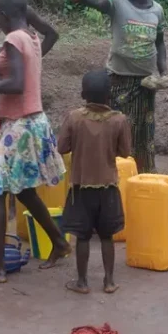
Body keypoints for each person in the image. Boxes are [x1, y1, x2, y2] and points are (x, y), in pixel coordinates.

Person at [0, 0, 69, 283]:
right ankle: (59, 243)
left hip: (19, 126)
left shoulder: (13, 39)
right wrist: (27, 14)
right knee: (23, 191)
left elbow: (17, 84)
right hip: (34, 120)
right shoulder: (33, 38)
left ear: (6, 16)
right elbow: (50, 36)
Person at [57, 0, 167, 173]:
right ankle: (113, 173)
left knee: (143, 133)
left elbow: (160, 42)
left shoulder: (157, 10)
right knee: (118, 129)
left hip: (146, 83)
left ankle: (140, 175)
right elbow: (97, 2)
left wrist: (164, 72)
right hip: (119, 80)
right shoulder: (117, 2)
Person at [56, 69, 132, 295]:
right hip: (108, 188)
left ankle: (82, 282)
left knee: (82, 236)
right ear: (109, 96)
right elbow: (126, 151)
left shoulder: (74, 118)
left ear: (82, 94)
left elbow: (62, 148)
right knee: (107, 236)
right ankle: (109, 281)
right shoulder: (119, 120)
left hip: (81, 189)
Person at [0, 0, 59, 156]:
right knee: (1, 119)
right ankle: (3, 153)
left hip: (13, 79)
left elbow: (51, 34)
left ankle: (10, 155)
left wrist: (31, 60)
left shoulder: (18, 22)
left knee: (14, 121)